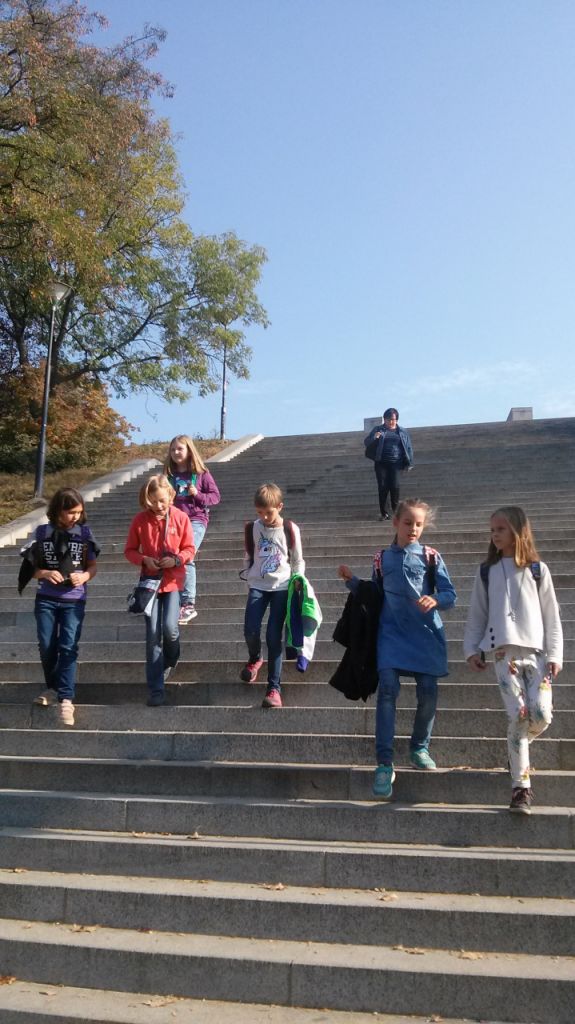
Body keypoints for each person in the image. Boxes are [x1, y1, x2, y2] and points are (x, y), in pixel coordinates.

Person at [338, 498, 456, 800]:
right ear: (395, 523)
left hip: (425, 635)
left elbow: (450, 594)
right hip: (391, 634)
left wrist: (436, 599)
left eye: (418, 524)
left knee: (428, 691)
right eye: (408, 523)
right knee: (388, 688)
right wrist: (353, 582)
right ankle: (384, 761)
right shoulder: (382, 558)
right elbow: (376, 593)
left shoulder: (431, 556)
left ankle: (419, 747)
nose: (413, 528)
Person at [463, 506, 562, 815]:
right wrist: (471, 649)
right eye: (492, 530)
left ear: (518, 531)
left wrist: (555, 654)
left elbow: (552, 616)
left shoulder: (537, 570)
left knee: (541, 715)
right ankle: (521, 787)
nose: (495, 535)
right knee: (519, 715)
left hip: (537, 654)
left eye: (501, 529)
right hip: (503, 655)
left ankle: (517, 748)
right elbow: (477, 613)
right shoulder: (487, 571)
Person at [22, 488, 100, 727]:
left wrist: (84, 576)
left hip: (73, 599)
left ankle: (66, 697)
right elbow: (30, 569)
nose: (76, 517)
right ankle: (53, 687)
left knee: (68, 646)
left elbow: (92, 566)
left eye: (79, 512)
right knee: (47, 645)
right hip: (46, 597)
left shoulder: (84, 533)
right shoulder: (42, 533)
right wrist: (45, 573)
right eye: (70, 512)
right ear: (58, 511)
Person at [124, 474, 195, 707]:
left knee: (170, 628)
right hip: (150, 584)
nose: (158, 506)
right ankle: (156, 690)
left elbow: (190, 549)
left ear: (171, 496)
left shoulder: (181, 518)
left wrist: (176, 559)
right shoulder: (140, 520)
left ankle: (172, 657)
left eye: (162, 500)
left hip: (173, 581)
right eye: (153, 502)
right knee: (153, 634)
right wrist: (144, 559)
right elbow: (130, 550)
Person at [241, 482, 305, 708]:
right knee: (250, 628)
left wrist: (298, 580)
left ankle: (274, 688)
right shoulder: (253, 528)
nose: (264, 517)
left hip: (282, 586)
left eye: (268, 512)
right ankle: (255, 658)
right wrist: (248, 577)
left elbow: (297, 559)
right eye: (260, 512)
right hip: (258, 584)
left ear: (279, 507)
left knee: (273, 635)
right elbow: (249, 555)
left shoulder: (289, 529)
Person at [164, 434, 220, 624]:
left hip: (196, 519)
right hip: (174, 521)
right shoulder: (169, 476)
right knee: (170, 556)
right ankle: (171, 597)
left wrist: (197, 495)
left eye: (180, 448)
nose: (176, 452)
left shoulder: (201, 473)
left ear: (189, 451)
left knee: (186, 556)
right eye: (173, 449)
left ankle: (188, 603)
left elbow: (215, 497)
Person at [364, 407, 413, 519]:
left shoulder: (402, 431)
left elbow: (408, 447)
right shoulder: (378, 429)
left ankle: (396, 512)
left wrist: (410, 462)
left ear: (397, 420)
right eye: (388, 419)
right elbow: (366, 442)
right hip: (381, 462)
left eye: (393, 419)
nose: (390, 422)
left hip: (396, 463)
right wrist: (374, 437)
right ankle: (384, 513)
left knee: (395, 486)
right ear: (384, 419)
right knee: (383, 487)